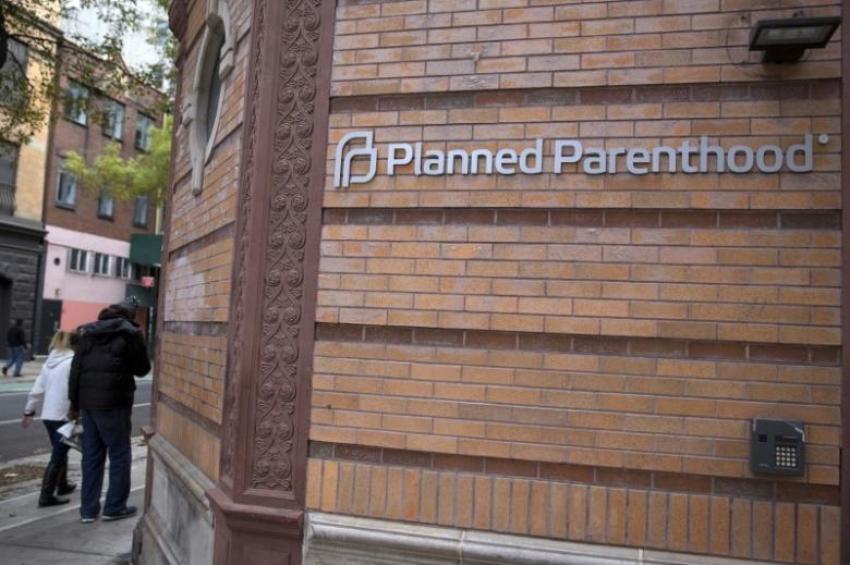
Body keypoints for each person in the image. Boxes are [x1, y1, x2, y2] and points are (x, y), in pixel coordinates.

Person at [68, 304, 150, 523]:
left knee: (91, 456)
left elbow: (76, 370)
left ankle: (88, 510)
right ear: (127, 317)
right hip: (115, 402)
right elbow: (142, 369)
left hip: (88, 404)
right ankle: (114, 506)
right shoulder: (130, 333)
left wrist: (74, 404)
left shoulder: (86, 333)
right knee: (119, 455)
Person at [21, 330, 78, 507]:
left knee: (61, 449)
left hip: (48, 415)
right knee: (58, 454)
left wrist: (29, 411)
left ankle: (63, 484)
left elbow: (37, 389)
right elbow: (75, 388)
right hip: (64, 415)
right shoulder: (72, 362)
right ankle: (46, 495)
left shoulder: (49, 363)